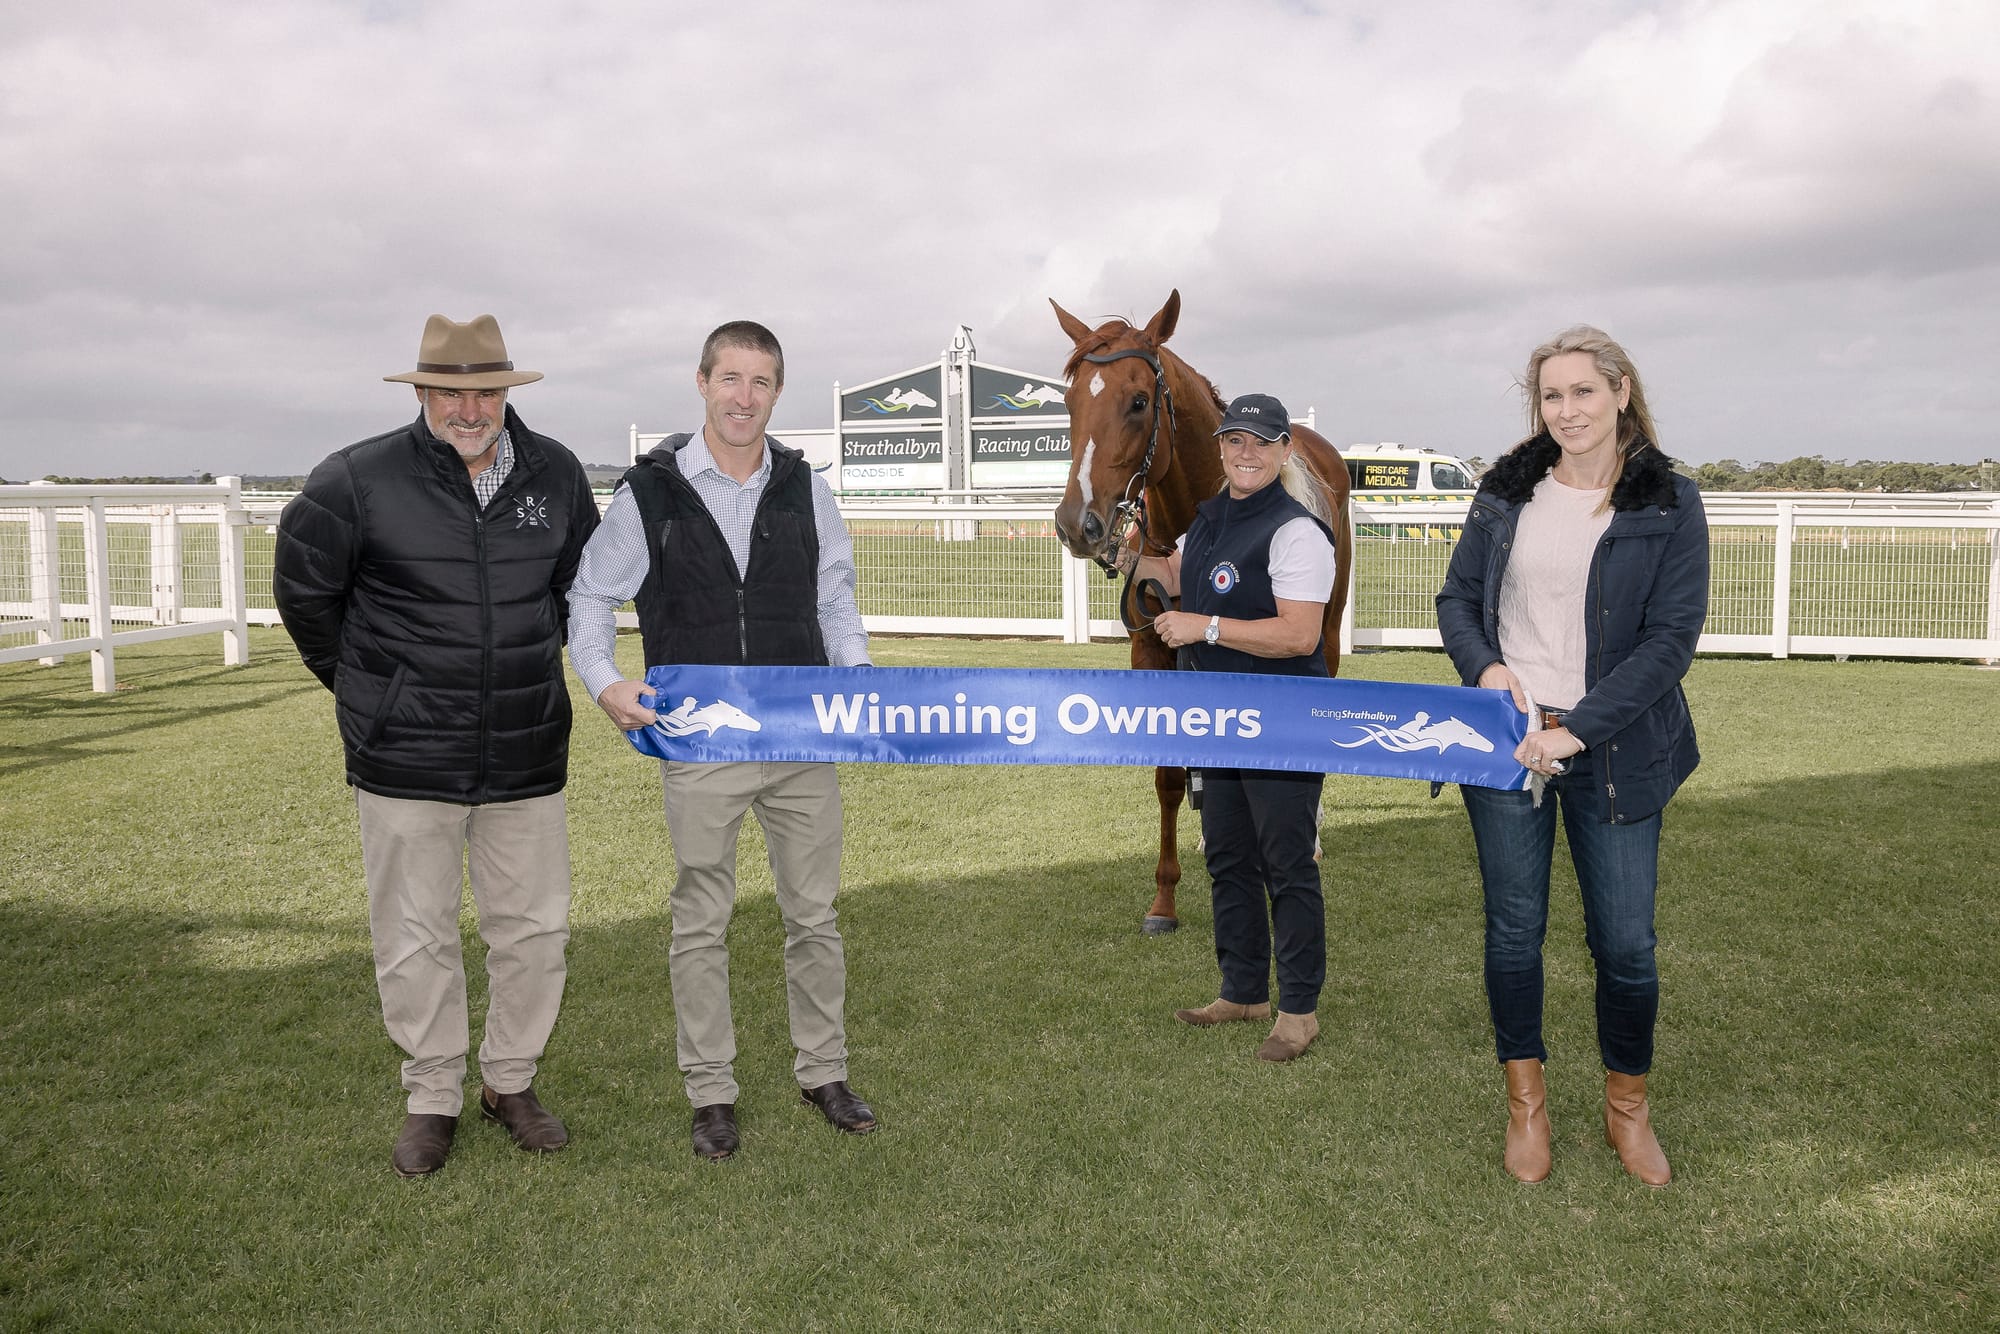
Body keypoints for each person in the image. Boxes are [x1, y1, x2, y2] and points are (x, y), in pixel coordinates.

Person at [273, 314, 600, 1177]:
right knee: (414, 936)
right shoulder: (354, 479)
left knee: (534, 931)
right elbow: (308, 597)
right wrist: (373, 694)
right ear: (420, 392)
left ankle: (510, 1081)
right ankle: (432, 1096)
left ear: (507, 394)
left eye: (485, 390)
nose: (469, 407)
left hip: (526, 752)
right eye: (450, 390)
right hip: (405, 756)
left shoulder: (557, 473)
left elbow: (577, 594)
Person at [567, 320, 875, 1161]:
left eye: (761, 383)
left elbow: (836, 601)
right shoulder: (649, 494)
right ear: (702, 382)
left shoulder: (807, 489)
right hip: (699, 742)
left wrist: (856, 678)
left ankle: (825, 1072)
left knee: (814, 915)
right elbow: (591, 598)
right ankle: (711, 1091)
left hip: (801, 737)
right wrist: (604, 682)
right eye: (730, 379)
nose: (745, 398)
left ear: (778, 392)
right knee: (701, 919)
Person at [1435, 325, 1707, 1187]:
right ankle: (1526, 1104)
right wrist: (1487, 666)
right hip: (1508, 742)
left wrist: (1576, 727)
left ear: (1622, 392)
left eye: (1584, 391)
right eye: (1552, 395)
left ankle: (1628, 1108)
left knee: (1625, 944)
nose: (1567, 410)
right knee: (1514, 932)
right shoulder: (1506, 494)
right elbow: (1457, 601)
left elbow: (1669, 644)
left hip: (1614, 745)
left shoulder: (1669, 501)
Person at [1129, 393, 1339, 1063]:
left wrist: (1206, 626)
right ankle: (1243, 988)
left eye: (1261, 442)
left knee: (1287, 863)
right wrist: (1121, 551)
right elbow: (1167, 573)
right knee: (1226, 855)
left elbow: (1299, 633)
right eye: (1235, 441)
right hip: (1219, 717)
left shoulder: (1297, 530)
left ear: (1284, 453)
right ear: (1220, 448)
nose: (1246, 453)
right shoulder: (1208, 521)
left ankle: (1298, 1011)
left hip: (1282, 719)